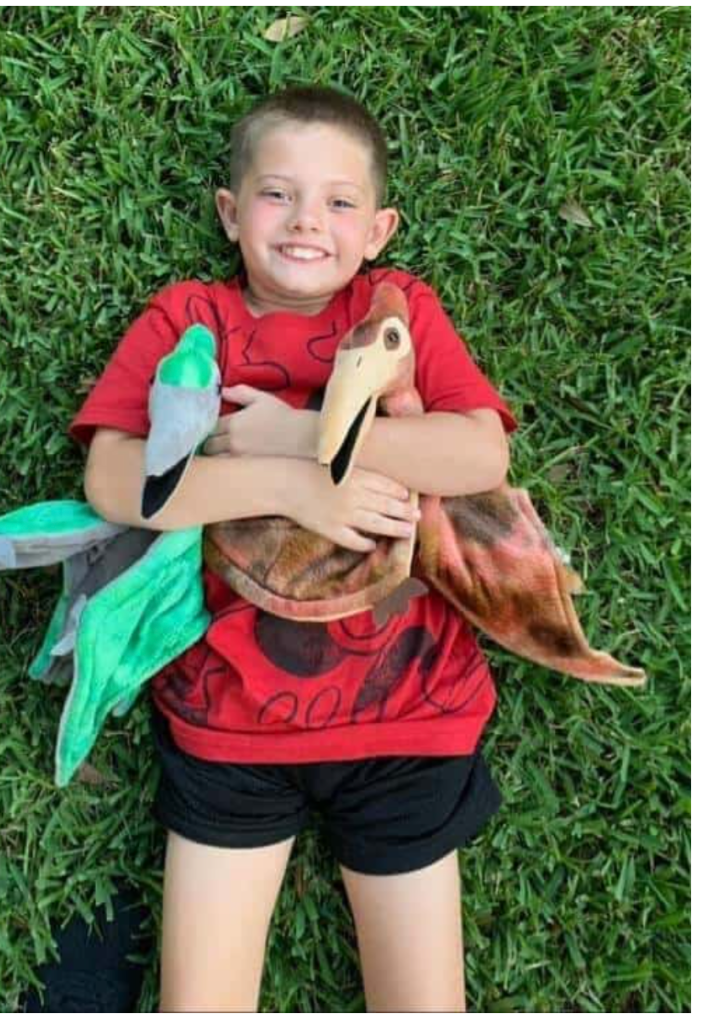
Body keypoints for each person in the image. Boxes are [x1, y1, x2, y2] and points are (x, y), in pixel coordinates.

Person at [70, 85, 518, 1012]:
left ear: (379, 228)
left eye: (340, 202)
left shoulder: (398, 312)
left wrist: (291, 437)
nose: (309, 220)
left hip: (410, 716)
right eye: (278, 194)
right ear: (231, 213)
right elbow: (116, 483)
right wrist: (290, 488)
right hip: (230, 720)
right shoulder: (190, 321)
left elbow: (478, 452)